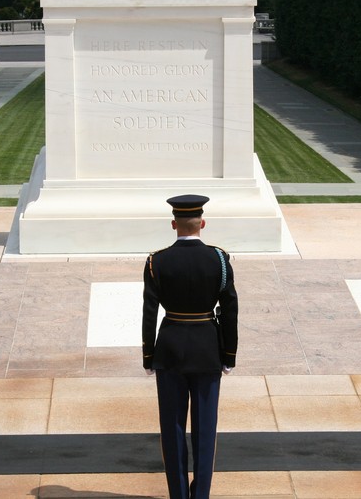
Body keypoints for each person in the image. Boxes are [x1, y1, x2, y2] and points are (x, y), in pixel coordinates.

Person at [142, 194, 239, 499]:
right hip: (208, 348)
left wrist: (149, 354)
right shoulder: (219, 259)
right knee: (205, 432)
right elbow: (230, 309)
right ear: (203, 223)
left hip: (169, 349)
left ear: (174, 224)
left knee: (172, 431)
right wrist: (229, 355)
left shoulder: (157, 261)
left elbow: (149, 312)